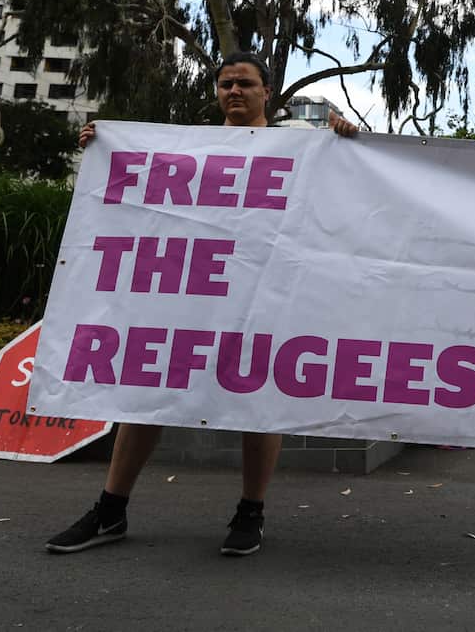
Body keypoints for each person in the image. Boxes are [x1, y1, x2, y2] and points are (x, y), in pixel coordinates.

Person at [45, 51, 359, 557]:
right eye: (226, 84)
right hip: (190, 292)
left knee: (257, 400)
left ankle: (250, 512)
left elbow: (343, 192)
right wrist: (103, 149)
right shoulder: (190, 148)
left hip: (264, 293)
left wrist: (346, 140)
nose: (234, 91)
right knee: (146, 392)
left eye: (245, 84)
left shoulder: (301, 145)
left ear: (266, 94)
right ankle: (110, 509)